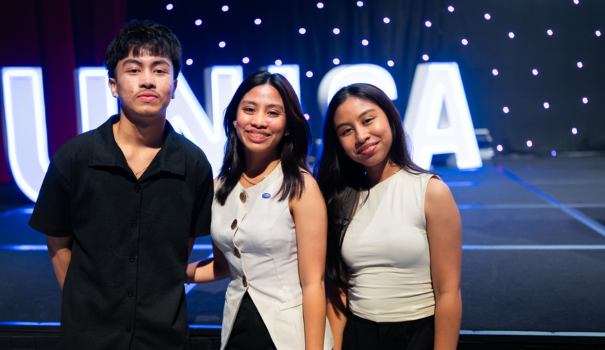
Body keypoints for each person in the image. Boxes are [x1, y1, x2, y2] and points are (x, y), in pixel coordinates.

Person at [28, 20, 213, 349]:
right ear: (113, 84)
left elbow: (178, 253)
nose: (147, 81)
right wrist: (82, 306)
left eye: (159, 70)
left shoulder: (193, 163)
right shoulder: (74, 157)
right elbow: (57, 244)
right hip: (89, 338)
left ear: (175, 83)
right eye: (133, 69)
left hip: (163, 338)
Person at [186, 71, 334, 350]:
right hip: (236, 329)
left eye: (273, 112)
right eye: (249, 109)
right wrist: (169, 272)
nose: (258, 121)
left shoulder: (301, 186)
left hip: (290, 336)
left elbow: (314, 285)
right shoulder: (218, 188)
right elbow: (222, 267)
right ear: (235, 117)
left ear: (288, 125)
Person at [314, 83, 462, 350]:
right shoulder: (341, 199)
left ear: (390, 115)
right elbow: (339, 292)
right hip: (358, 336)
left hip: (416, 335)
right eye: (346, 131)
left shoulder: (431, 191)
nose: (361, 136)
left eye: (368, 120)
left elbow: (448, 293)